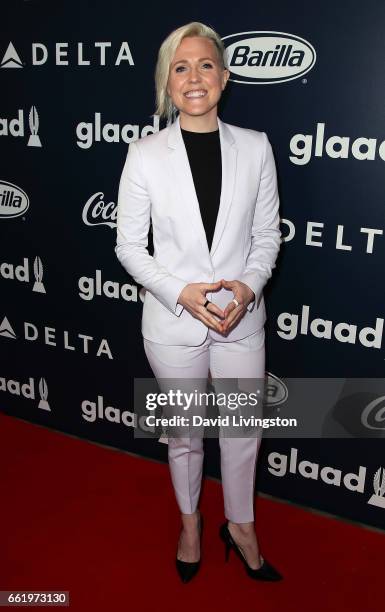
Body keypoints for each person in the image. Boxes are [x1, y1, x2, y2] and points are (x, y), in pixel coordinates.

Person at [115, 21, 282, 583]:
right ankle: (191, 523)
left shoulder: (256, 147)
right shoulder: (143, 155)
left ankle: (241, 525)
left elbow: (267, 236)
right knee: (185, 436)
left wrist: (248, 285)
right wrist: (180, 292)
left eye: (205, 64)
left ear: (224, 77)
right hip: (172, 322)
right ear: (167, 82)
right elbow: (128, 247)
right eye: (179, 67)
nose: (193, 77)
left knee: (242, 432)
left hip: (241, 319)